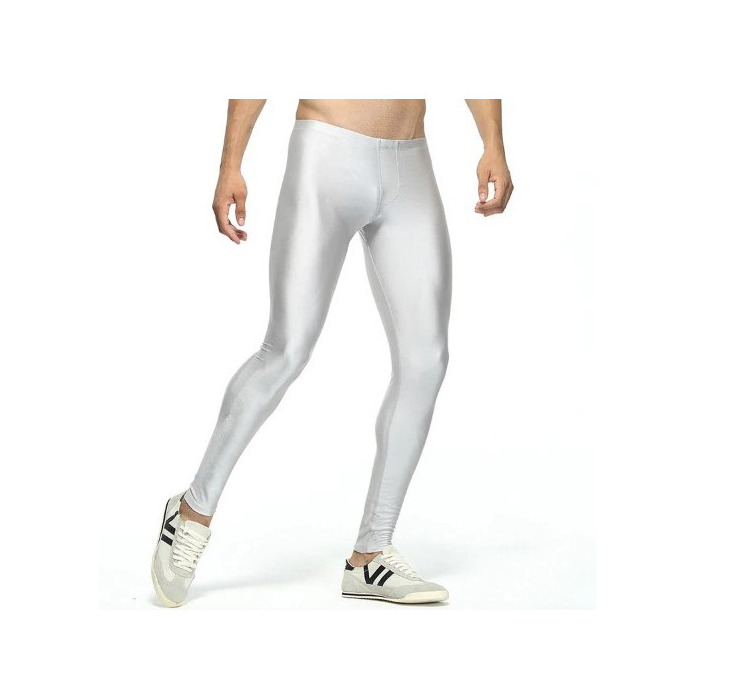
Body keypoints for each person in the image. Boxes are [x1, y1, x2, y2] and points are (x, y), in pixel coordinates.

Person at [152, 99, 513, 607]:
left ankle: (371, 554)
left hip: (410, 161)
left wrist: (493, 142)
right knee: (286, 350)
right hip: (326, 154)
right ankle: (191, 511)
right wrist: (231, 163)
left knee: (426, 360)